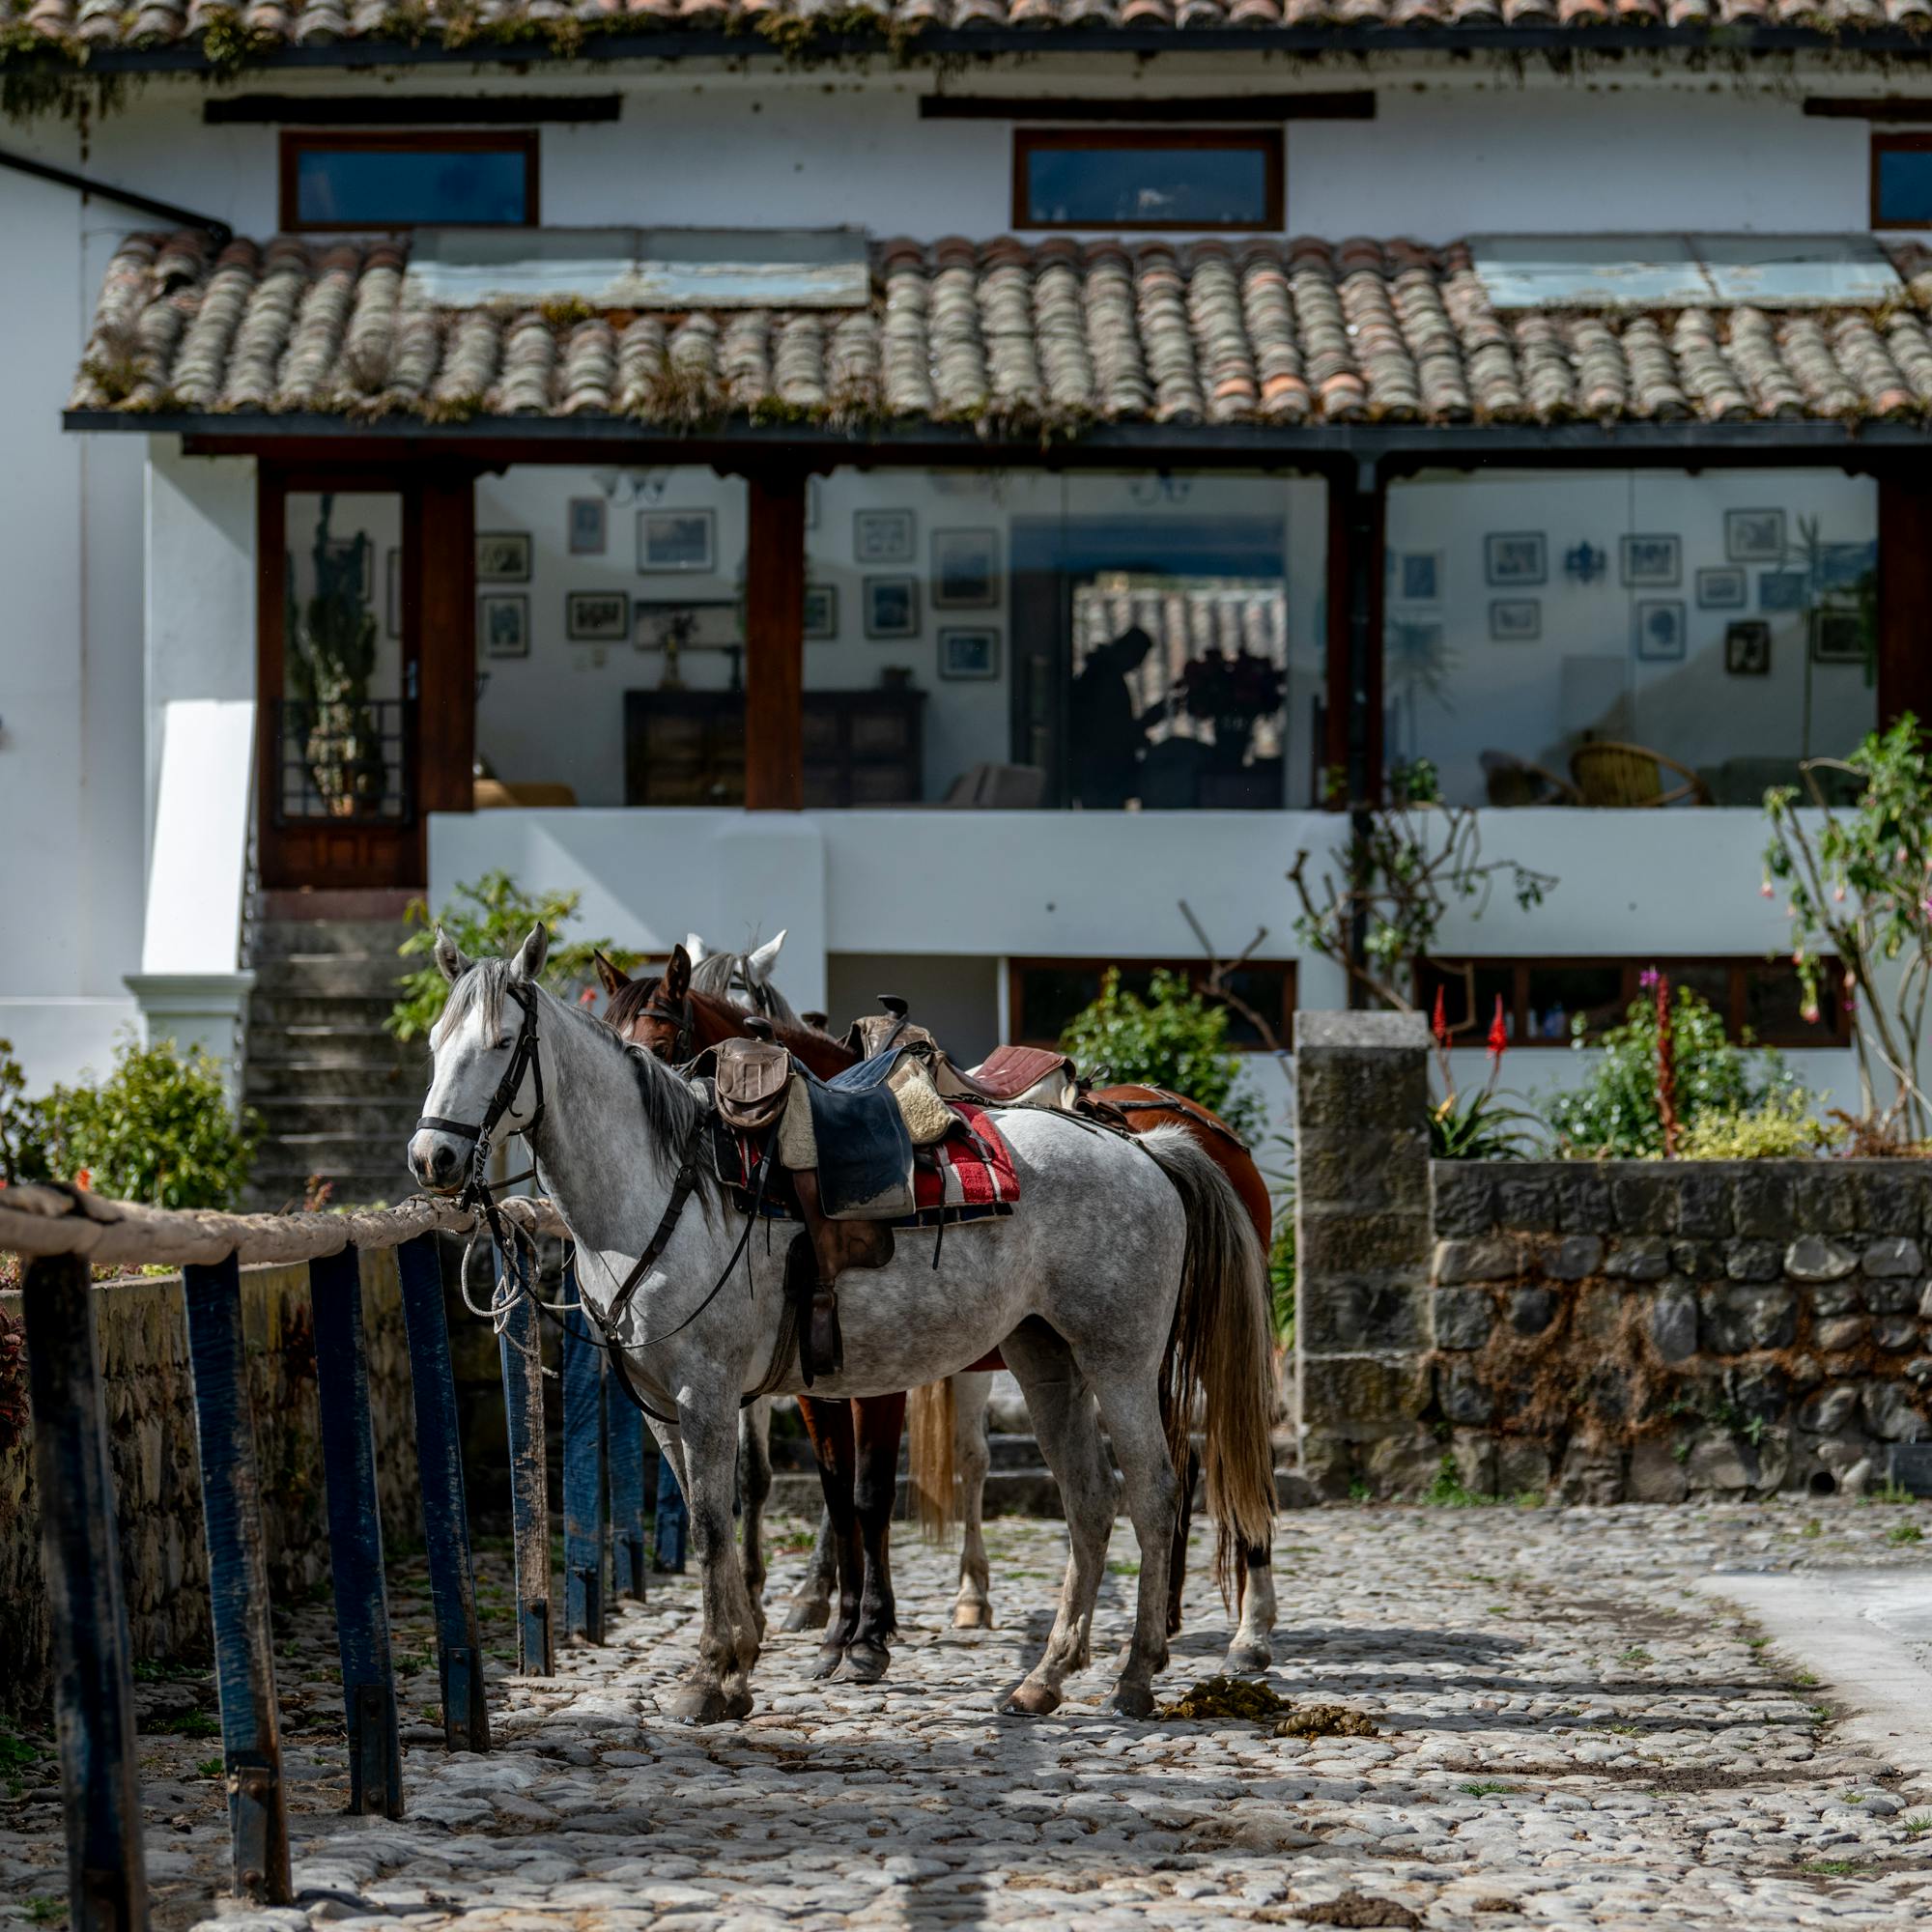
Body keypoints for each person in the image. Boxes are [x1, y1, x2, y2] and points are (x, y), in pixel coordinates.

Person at [1067, 624, 1157, 809]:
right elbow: (1110, 729)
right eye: (1137, 657)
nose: (1137, 665)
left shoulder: (1102, 674)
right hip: (1101, 771)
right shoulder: (1104, 678)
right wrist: (1142, 726)